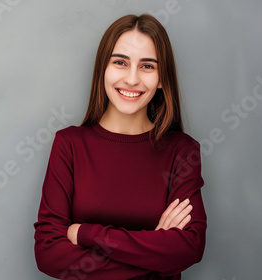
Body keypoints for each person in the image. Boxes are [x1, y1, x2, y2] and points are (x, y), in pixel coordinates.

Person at [33, 14, 206, 280]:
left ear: (162, 79)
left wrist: (83, 233)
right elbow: (48, 253)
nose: (132, 79)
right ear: (104, 68)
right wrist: (156, 253)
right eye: (120, 63)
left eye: (147, 66)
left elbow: (189, 248)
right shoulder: (69, 144)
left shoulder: (182, 152)